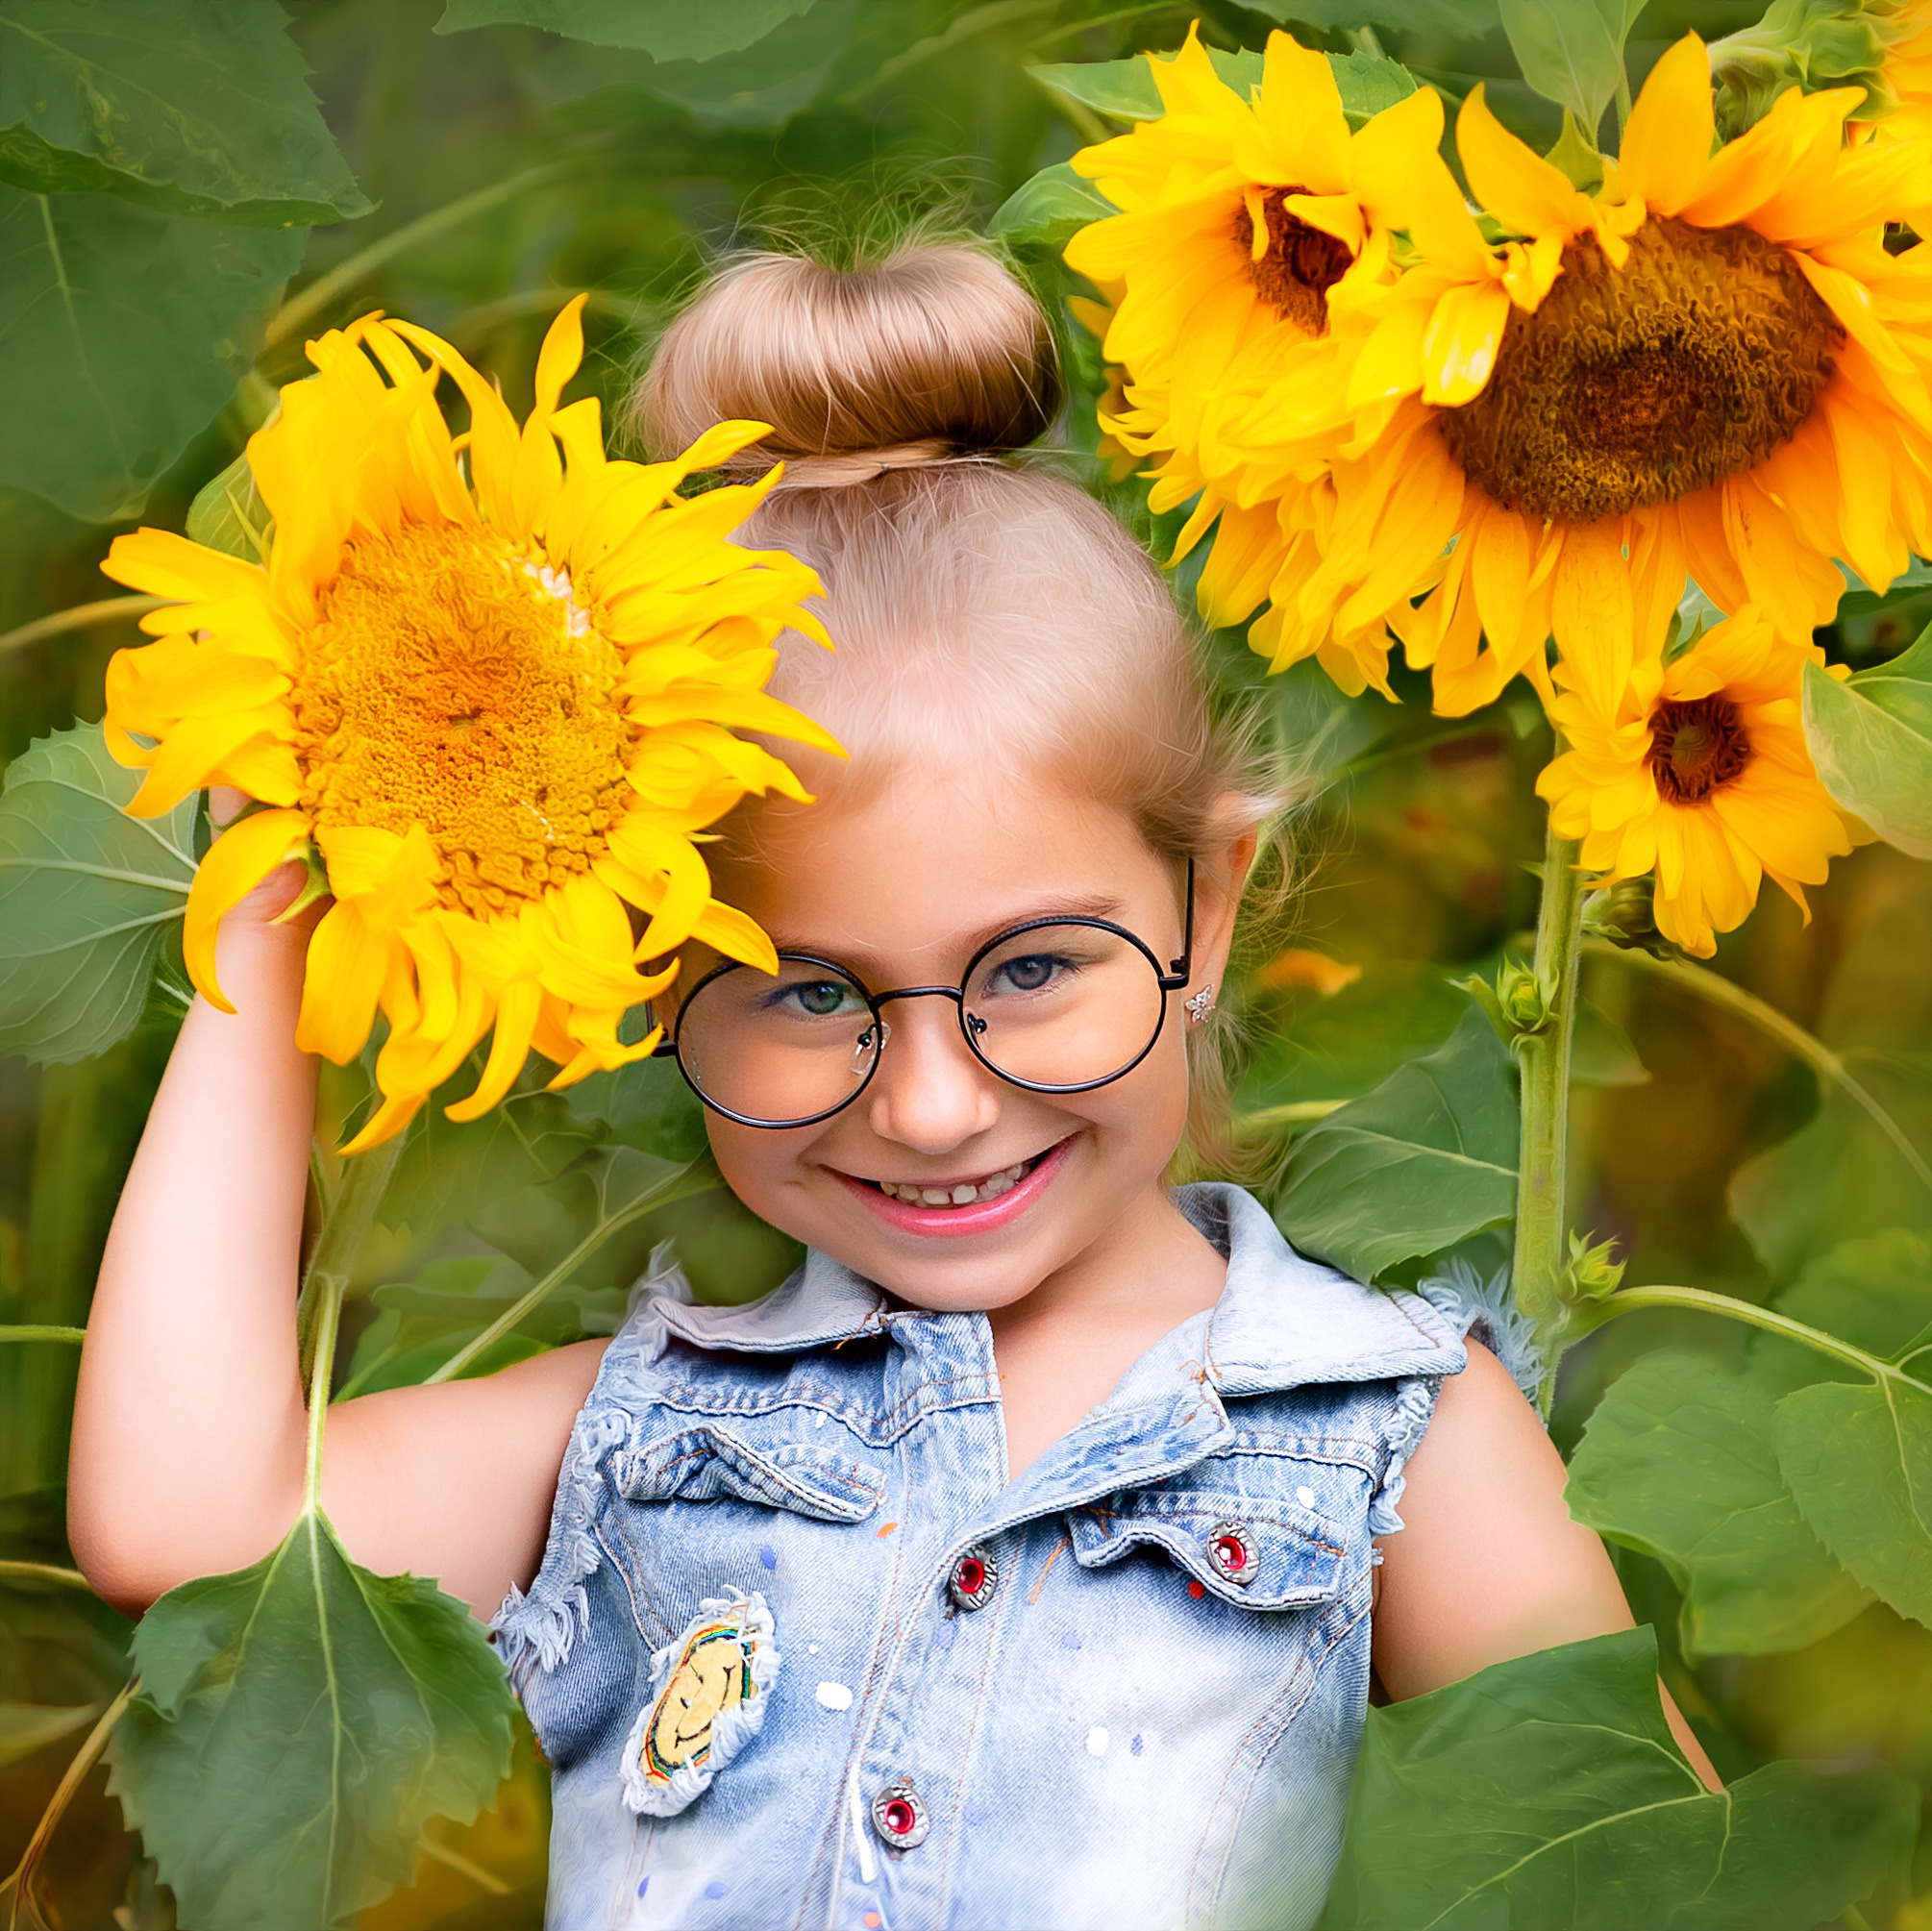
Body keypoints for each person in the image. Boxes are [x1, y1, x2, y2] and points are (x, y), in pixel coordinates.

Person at [69, 239, 1716, 1931]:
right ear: (655, 972)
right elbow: (188, 1523)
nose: (930, 1106)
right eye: (804, 990)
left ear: (1205, 910)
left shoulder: (1382, 1438)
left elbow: (1646, 1877)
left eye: (1032, 968)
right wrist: (276, 877)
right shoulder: (653, 1427)